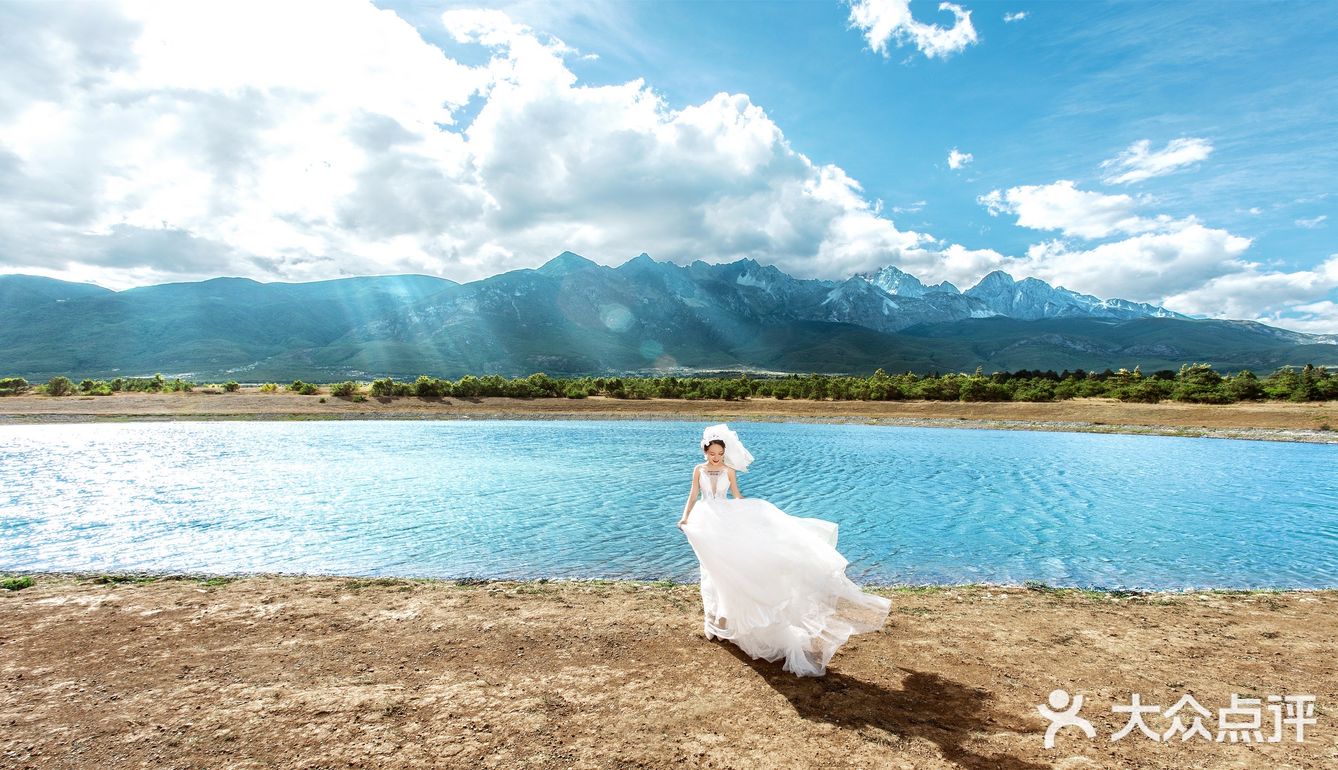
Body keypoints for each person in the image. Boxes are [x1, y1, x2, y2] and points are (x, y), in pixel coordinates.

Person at [676, 423, 892, 677]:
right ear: (705, 450)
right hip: (705, 522)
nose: (716, 458)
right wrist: (685, 518)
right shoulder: (698, 470)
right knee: (710, 571)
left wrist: (752, 519)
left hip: (726, 523)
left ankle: (726, 622)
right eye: (712, 453)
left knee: (731, 572)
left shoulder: (729, 471)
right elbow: (693, 495)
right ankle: (713, 622)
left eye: (720, 454)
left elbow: (737, 497)